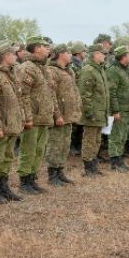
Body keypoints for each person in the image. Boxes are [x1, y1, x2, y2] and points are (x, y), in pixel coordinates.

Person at [0, 42, 25, 203]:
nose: (16, 56)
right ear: (4, 56)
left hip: (12, 124)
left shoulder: (11, 74)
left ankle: (4, 187)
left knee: (8, 157)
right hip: (1, 125)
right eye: (13, 54)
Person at [15, 36, 55, 193]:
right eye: (45, 46)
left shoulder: (41, 67)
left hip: (43, 117)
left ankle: (32, 179)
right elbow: (22, 94)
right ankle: (24, 182)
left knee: (39, 150)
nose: (48, 49)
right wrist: (27, 117)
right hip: (32, 118)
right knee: (28, 150)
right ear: (37, 48)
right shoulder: (27, 67)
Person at [46, 44, 82, 185]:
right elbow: (51, 95)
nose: (70, 55)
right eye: (68, 52)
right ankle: (52, 175)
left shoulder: (69, 71)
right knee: (55, 144)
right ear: (60, 54)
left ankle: (60, 171)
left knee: (64, 144)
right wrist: (57, 115)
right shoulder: (51, 71)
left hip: (69, 115)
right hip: (60, 116)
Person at [78, 44, 109, 176]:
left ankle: (93, 165)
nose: (104, 56)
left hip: (101, 112)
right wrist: (89, 112)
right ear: (95, 54)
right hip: (92, 113)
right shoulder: (89, 70)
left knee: (96, 140)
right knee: (89, 139)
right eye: (102, 53)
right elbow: (85, 94)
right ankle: (88, 167)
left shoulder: (100, 69)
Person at [107, 45, 129, 171]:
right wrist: (115, 111)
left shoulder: (126, 69)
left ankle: (119, 160)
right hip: (119, 110)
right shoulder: (113, 70)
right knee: (115, 136)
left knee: (123, 136)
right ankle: (115, 162)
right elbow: (111, 92)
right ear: (123, 57)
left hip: (128, 109)